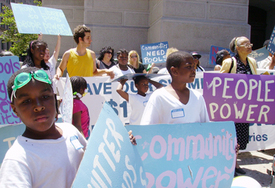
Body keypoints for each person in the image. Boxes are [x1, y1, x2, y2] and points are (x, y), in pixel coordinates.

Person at [0, 67, 87, 187]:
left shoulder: (71, 131)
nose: (38, 106)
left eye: (45, 97)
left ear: (55, 99)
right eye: (26, 101)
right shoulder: (17, 160)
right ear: (15, 109)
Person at [220, 36, 257, 176]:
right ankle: (231, 165)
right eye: (245, 44)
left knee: (240, 139)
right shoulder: (229, 62)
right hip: (230, 108)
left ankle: (234, 163)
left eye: (250, 43)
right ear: (238, 48)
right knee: (231, 137)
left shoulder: (252, 62)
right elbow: (220, 82)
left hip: (245, 109)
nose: (249, 46)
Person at [140, 51, 209, 125]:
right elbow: (146, 128)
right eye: (189, 67)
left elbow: (207, 128)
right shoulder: (159, 96)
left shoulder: (198, 97)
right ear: (174, 71)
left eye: (194, 66)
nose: (193, 70)